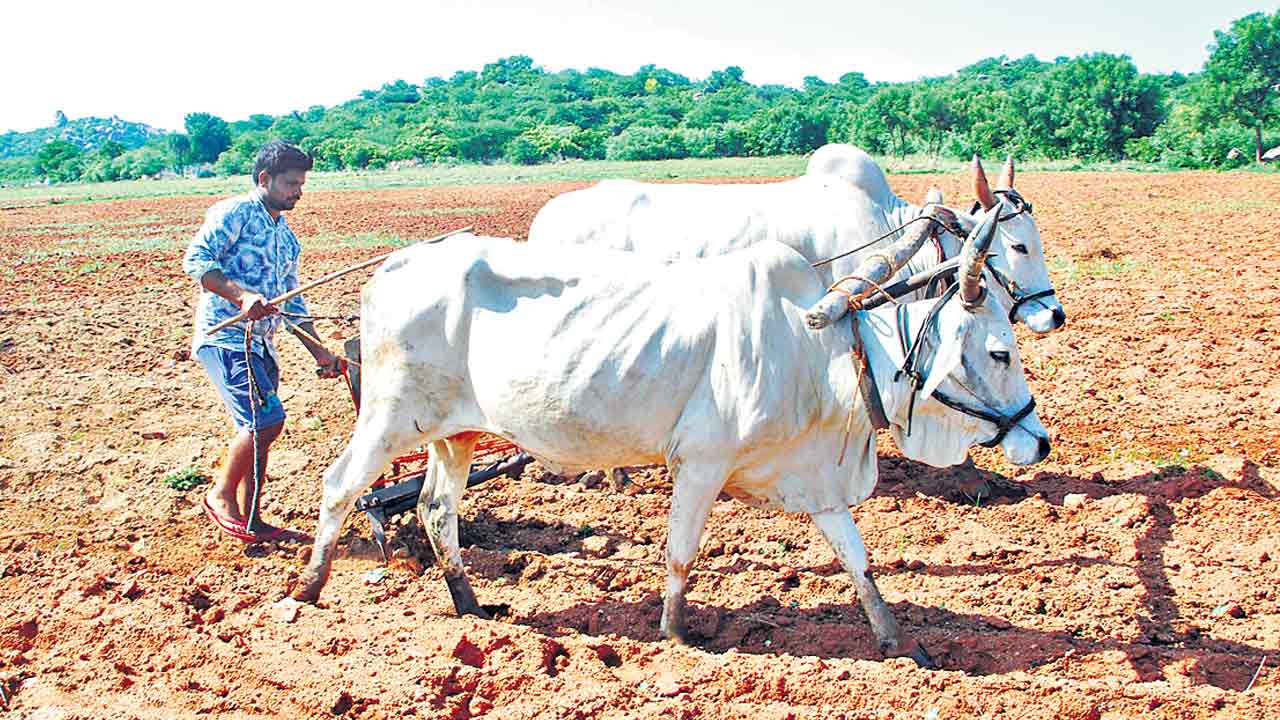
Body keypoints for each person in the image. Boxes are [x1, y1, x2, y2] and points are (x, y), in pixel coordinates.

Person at [182, 140, 340, 542]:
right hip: (227, 337)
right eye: (290, 183)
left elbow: (293, 302)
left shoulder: (286, 239)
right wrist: (242, 296)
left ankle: (254, 521)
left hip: (262, 345)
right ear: (265, 178)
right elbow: (197, 262)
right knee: (264, 421)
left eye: (301, 184)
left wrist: (319, 351)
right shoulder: (232, 213)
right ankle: (220, 495)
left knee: (260, 432)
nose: (298, 192)